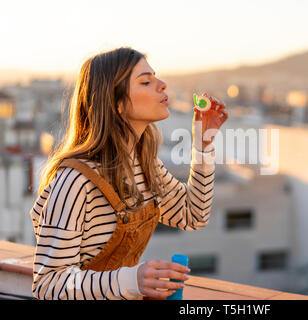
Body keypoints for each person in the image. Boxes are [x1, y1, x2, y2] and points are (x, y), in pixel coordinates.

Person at [29, 47, 228, 300]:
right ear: (118, 104)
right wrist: (132, 279)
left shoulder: (145, 166)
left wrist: (203, 143)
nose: (162, 85)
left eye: (155, 77)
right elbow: (48, 285)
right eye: (146, 81)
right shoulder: (75, 181)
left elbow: (192, 215)